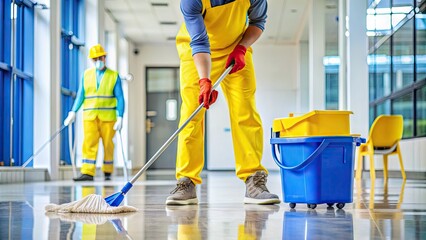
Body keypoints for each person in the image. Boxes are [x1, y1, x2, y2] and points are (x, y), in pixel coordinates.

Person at [166, 0, 280, 205]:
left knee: (245, 110)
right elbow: (200, 42)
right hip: (197, 52)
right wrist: (204, 80)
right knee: (192, 114)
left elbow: (258, 21)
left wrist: (242, 48)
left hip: (236, 49)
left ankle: (253, 179)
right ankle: (187, 181)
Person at [64, 44, 125, 181]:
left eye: (100, 57)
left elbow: (120, 98)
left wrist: (120, 116)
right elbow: (81, 95)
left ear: (105, 57)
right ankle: (87, 172)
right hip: (90, 117)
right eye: (95, 58)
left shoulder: (113, 76)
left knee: (108, 145)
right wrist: (73, 112)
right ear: (92, 60)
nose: (98, 60)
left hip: (108, 118)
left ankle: (107, 170)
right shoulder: (86, 75)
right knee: (89, 144)